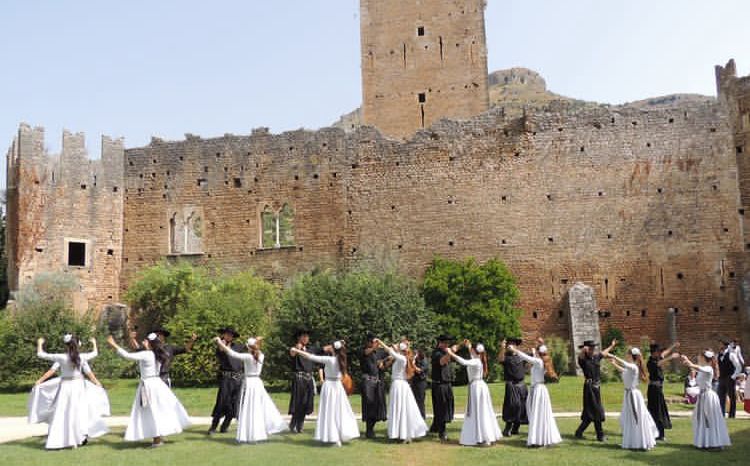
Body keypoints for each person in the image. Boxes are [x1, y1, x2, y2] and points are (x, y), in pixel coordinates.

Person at [107, 333, 191, 447]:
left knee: (152, 411)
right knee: (156, 410)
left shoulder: (147, 354)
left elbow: (127, 355)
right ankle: (158, 437)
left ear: (150, 344)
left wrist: (114, 345)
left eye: (146, 341)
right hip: (156, 384)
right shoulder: (156, 354)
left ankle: (157, 439)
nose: (143, 342)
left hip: (149, 385)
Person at [35, 335, 107, 449]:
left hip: (66, 386)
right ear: (78, 345)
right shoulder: (81, 357)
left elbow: (41, 354)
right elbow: (95, 354)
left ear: (66, 345)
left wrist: (39, 343)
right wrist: (93, 343)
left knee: (63, 412)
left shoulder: (62, 357)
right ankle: (79, 437)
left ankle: (63, 438)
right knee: (78, 412)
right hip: (78, 387)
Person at [214, 336, 287, 443]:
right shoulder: (261, 355)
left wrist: (220, 343)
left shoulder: (248, 357)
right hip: (257, 383)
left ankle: (250, 433)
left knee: (249, 408)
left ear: (248, 347)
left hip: (250, 383)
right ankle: (256, 433)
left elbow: (232, 353)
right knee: (256, 408)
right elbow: (254, 350)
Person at [290, 340, 359, 446]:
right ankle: (340, 435)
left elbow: (311, 357)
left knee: (330, 412)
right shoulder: (342, 360)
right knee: (339, 411)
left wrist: (297, 351)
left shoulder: (330, 360)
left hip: (330, 386)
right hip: (338, 387)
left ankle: (333, 437)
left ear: (333, 349)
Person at [446, 340, 502, 447]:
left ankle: (484, 437)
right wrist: (468, 346)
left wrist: (451, 353)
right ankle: (483, 436)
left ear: (474, 351)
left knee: (479, 411)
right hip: (479, 386)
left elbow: (464, 362)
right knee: (481, 411)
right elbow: (472, 354)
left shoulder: (476, 361)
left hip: (477, 388)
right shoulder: (478, 359)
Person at [602, 345, 659, 451]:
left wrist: (612, 355)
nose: (625, 355)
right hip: (628, 395)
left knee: (636, 418)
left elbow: (625, 365)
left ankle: (640, 442)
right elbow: (624, 369)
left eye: (627, 354)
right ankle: (632, 441)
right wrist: (614, 363)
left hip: (633, 396)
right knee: (629, 418)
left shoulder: (634, 367)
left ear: (631, 355)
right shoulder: (631, 367)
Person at [507, 340, 561, 447]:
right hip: (539, 390)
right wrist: (533, 351)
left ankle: (538, 440)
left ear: (538, 353)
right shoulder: (540, 361)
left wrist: (514, 349)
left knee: (537, 414)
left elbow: (527, 358)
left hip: (538, 390)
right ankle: (541, 438)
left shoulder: (538, 362)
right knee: (538, 414)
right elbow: (528, 359)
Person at [374, 338, 428, 443]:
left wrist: (380, 342)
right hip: (400, 385)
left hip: (399, 385)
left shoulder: (402, 358)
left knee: (400, 409)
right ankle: (402, 434)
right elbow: (391, 353)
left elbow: (389, 351)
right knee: (400, 409)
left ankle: (402, 434)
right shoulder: (403, 358)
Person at [28, 359, 110, 428]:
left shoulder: (68, 357)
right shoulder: (78, 357)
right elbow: (88, 372)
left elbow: (89, 372)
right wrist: (40, 380)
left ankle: (75, 426)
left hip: (70, 383)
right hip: (72, 383)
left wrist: (96, 382)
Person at [681, 350, 731, 450]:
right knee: (701, 419)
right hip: (702, 396)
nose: (698, 357)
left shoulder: (708, 368)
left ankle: (714, 443)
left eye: (700, 356)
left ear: (704, 358)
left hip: (708, 396)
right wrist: (688, 362)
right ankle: (704, 442)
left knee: (709, 419)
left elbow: (698, 368)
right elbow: (697, 368)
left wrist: (689, 362)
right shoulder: (703, 368)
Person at [574, 339, 617, 441]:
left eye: (593, 348)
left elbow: (604, 353)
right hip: (589, 388)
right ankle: (600, 435)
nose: (592, 350)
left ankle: (579, 432)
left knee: (591, 413)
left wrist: (612, 345)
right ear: (586, 349)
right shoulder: (583, 360)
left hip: (596, 388)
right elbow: (579, 357)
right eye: (590, 348)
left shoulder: (596, 357)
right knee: (597, 411)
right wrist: (583, 350)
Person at [129, 326, 198, 387]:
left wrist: (192, 339)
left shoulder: (170, 348)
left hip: (164, 379)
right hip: (152, 380)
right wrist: (132, 339)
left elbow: (185, 349)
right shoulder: (150, 348)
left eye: (158, 335)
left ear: (163, 336)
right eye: (156, 335)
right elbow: (137, 349)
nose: (156, 336)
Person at [208, 327, 244, 434]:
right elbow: (222, 349)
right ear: (223, 335)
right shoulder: (220, 347)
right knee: (221, 402)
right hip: (226, 379)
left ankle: (225, 426)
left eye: (231, 335)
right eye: (227, 334)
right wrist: (220, 342)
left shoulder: (238, 347)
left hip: (237, 379)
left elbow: (250, 348)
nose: (229, 336)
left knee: (234, 404)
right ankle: (213, 427)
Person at [647, 342, 681, 441]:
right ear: (654, 353)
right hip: (654, 389)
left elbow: (664, 353)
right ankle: (657, 433)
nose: (660, 353)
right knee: (655, 411)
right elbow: (659, 363)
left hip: (658, 388)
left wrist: (673, 346)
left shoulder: (657, 357)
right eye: (658, 352)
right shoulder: (651, 362)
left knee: (660, 410)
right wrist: (671, 357)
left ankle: (660, 434)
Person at [497, 337, 528, 437]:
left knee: (522, 407)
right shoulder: (506, 357)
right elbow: (500, 359)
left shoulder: (521, 357)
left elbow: (532, 360)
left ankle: (516, 428)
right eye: (509, 345)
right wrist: (502, 348)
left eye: (513, 344)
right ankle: (507, 428)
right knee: (512, 406)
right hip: (511, 385)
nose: (510, 346)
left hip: (522, 385)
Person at [288, 328, 317, 434]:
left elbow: (319, 353)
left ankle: (300, 425)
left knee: (306, 403)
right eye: (303, 336)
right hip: (299, 379)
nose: (306, 338)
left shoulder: (311, 349)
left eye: (307, 336)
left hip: (309, 379)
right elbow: (292, 353)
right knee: (298, 403)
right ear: (299, 338)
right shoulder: (295, 348)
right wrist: (297, 348)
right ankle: (293, 424)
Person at [360, 334, 388, 438]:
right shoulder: (363, 351)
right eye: (372, 342)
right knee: (369, 405)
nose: (374, 344)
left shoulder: (379, 352)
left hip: (377, 382)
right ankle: (369, 430)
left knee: (377, 406)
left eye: (374, 342)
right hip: (367, 381)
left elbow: (390, 351)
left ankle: (371, 429)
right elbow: (367, 352)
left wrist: (385, 361)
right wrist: (376, 346)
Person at [429, 334, 455, 442]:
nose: (447, 345)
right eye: (445, 343)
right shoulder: (436, 353)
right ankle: (442, 432)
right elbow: (442, 361)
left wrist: (460, 346)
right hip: (439, 384)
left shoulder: (446, 352)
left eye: (448, 343)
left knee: (447, 406)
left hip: (447, 383)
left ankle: (435, 427)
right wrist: (450, 353)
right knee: (441, 408)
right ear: (440, 343)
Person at [717, 340, 742, 418]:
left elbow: (739, 367)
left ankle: (731, 415)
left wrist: (732, 377)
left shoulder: (732, 355)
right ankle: (721, 415)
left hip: (729, 378)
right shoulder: (717, 355)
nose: (719, 345)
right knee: (721, 397)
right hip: (721, 378)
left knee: (732, 397)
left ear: (725, 345)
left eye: (720, 344)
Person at [410, 349, 429, 419]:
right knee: (414, 401)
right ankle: (415, 417)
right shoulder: (416, 361)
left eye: (415, 354)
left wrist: (412, 363)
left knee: (420, 401)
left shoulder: (424, 361)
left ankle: (422, 417)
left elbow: (419, 371)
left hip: (421, 383)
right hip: (414, 383)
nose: (414, 356)